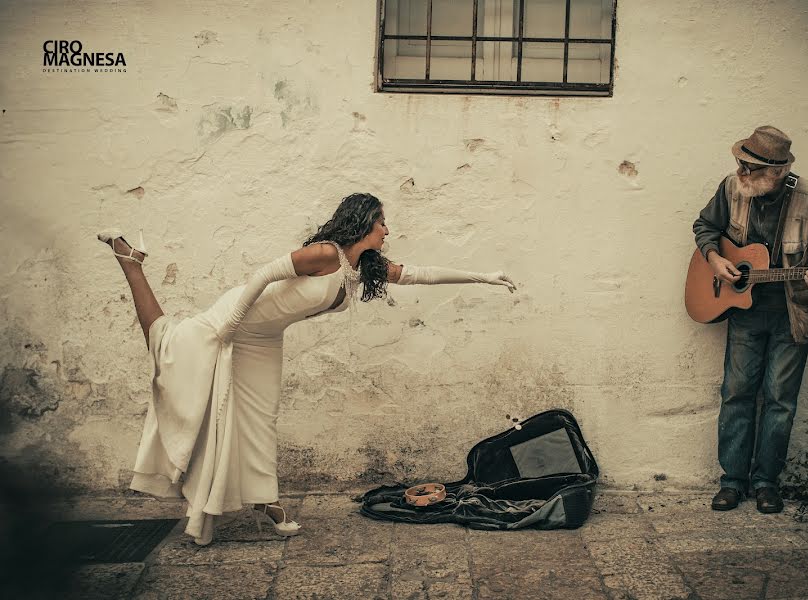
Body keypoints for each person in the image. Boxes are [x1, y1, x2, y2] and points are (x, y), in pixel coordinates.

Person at [97, 192, 516, 545]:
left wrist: (484, 277)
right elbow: (261, 275)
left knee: (260, 420)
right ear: (364, 222)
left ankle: (264, 499)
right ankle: (129, 260)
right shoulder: (325, 254)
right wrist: (227, 323)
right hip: (236, 318)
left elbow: (421, 274)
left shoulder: (362, 267)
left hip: (264, 337)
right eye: (382, 222)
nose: (387, 230)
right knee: (167, 348)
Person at [692, 126, 808, 513]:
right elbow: (705, 227)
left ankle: (766, 483)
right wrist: (715, 259)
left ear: (774, 173)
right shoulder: (731, 188)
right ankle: (732, 482)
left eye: (750, 167)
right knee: (737, 394)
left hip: (792, 317)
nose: (740, 170)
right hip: (743, 313)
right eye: (741, 162)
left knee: (780, 401)